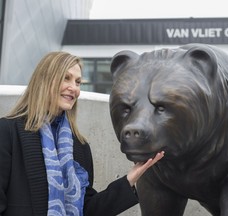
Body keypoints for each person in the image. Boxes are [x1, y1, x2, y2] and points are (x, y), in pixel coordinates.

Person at [0, 51, 164, 216]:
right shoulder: (7, 132)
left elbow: (88, 210)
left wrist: (130, 178)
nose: (74, 88)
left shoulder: (79, 146)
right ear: (44, 80)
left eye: (78, 82)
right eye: (66, 78)